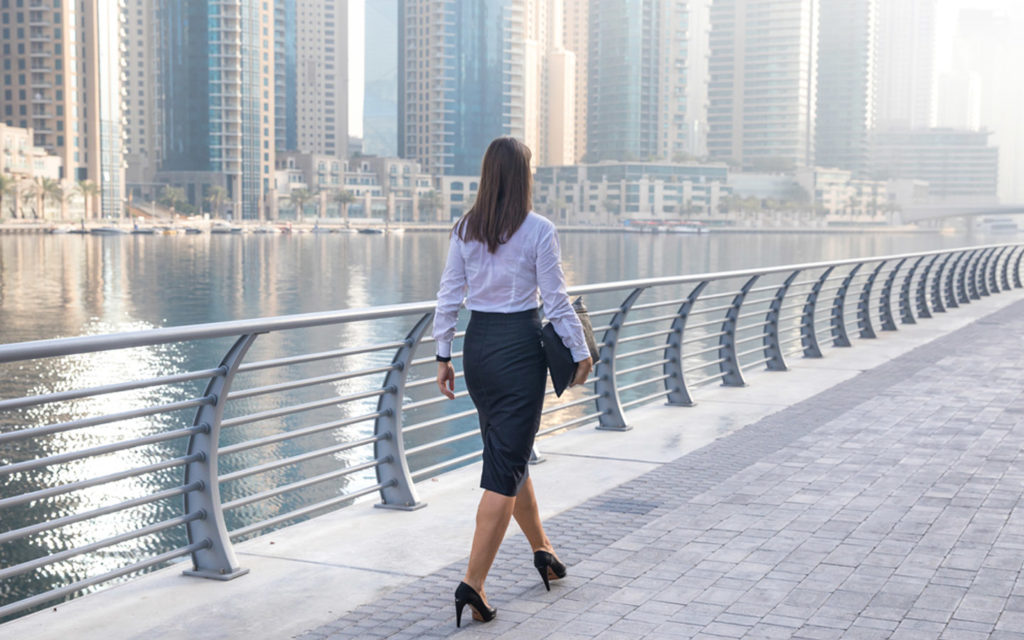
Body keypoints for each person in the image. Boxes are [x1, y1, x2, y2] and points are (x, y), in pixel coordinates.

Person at [433, 137, 593, 627]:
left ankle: (543, 550)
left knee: (509, 456)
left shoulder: (465, 228)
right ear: (523, 177)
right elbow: (557, 299)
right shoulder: (539, 229)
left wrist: (443, 354)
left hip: (478, 348)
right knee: (503, 470)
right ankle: (473, 584)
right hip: (520, 351)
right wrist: (582, 352)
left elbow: (447, 297)